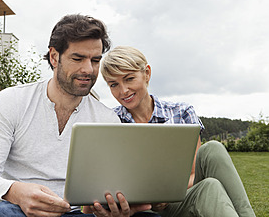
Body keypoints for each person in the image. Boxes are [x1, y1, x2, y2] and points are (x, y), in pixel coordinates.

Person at [0, 15, 152, 217]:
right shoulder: (11, 101)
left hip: (71, 213)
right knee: (4, 214)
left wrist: (111, 208)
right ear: (54, 57)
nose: (88, 70)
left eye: (95, 60)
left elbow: (102, 188)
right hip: (17, 210)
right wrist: (16, 192)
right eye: (77, 58)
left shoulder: (106, 119)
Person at [87, 46, 256, 217]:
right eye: (114, 84)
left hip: (179, 198)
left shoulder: (181, 112)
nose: (123, 90)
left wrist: (165, 195)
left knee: (213, 149)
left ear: (147, 73)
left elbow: (193, 174)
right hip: (140, 209)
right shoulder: (110, 122)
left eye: (129, 79)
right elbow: (96, 190)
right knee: (210, 187)